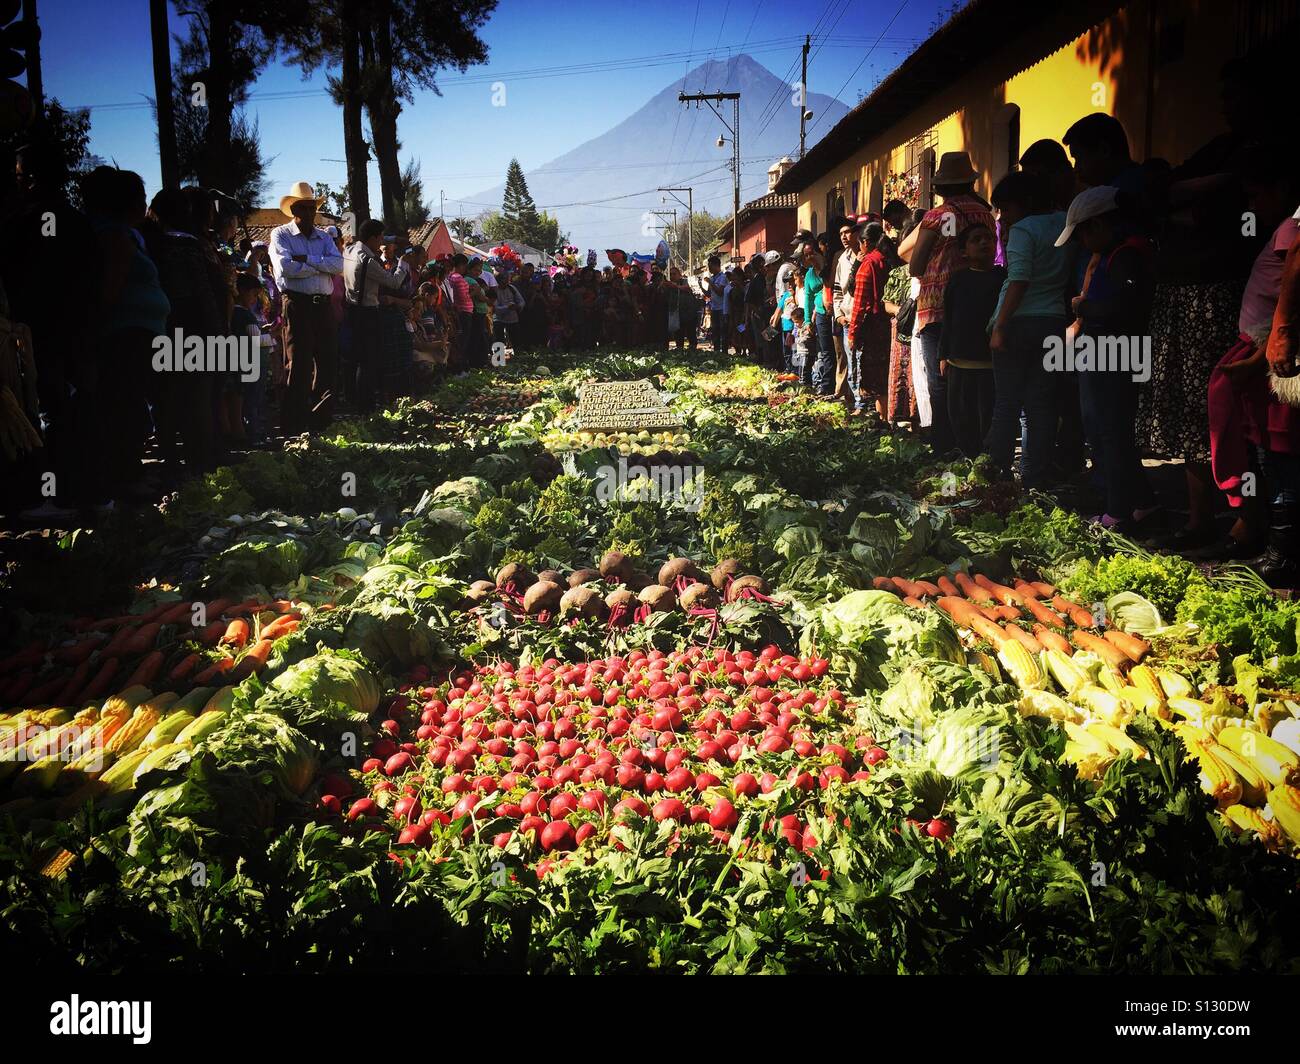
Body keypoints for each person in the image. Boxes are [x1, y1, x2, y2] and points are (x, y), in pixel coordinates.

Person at [1204, 145, 1300, 562]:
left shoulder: (1291, 231)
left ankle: (1280, 551)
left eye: (1257, 196)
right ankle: (1263, 532)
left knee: (1278, 449)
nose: (1252, 206)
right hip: (1266, 346)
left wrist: (1271, 343)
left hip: (1273, 352)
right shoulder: (1284, 228)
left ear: (1281, 189)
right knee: (1264, 445)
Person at [1060, 185, 1158, 532]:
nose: (1082, 244)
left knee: (1109, 432)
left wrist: (1082, 306)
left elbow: (1125, 308)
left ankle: (1117, 510)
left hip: (1114, 355)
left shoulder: (1126, 256)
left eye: (1083, 235)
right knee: (1107, 431)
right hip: (1101, 354)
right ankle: (1142, 502)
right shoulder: (1111, 254)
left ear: (1098, 226)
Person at [83, 167, 170, 501]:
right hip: (125, 335)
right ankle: (125, 476)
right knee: (125, 403)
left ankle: (129, 471)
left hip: (137, 333)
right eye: (141, 199)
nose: (145, 207)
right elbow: (110, 290)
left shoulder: (128, 235)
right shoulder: (113, 237)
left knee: (131, 403)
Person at [984, 170, 1076, 486]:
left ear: (1023, 204)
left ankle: (997, 475)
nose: (1002, 217)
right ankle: (1035, 476)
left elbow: (1019, 279)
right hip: (1052, 323)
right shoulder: (1065, 221)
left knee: (1007, 402)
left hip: (1018, 323)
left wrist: (1000, 327)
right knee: (1041, 405)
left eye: (1005, 208)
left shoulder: (1024, 229)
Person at [902, 152, 995, 454]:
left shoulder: (938, 216)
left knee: (940, 381)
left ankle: (945, 443)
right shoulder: (985, 214)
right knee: (977, 380)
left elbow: (915, 264)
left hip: (938, 304)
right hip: (980, 303)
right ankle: (977, 445)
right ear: (969, 181)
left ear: (941, 186)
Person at [268, 181, 343, 434]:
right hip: (298, 306)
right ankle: (293, 426)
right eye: (306, 208)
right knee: (298, 365)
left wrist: (308, 261)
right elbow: (286, 268)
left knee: (327, 363)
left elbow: (338, 265)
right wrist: (320, 266)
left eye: (313, 208)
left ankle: (321, 423)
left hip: (322, 306)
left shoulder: (323, 236)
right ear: (295, 209)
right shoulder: (281, 235)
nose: (311, 213)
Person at [936, 223, 1003, 457]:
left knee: (990, 416)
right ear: (964, 251)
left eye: (988, 238)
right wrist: (943, 355)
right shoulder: (958, 280)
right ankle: (969, 458)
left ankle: (989, 463)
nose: (984, 243)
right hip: (959, 362)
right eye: (976, 240)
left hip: (991, 363)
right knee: (962, 416)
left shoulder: (1003, 279)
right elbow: (949, 318)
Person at [344, 219, 409, 411]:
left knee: (355, 359)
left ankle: (355, 402)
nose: (383, 241)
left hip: (352, 309)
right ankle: (366, 405)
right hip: (367, 312)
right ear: (373, 238)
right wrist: (402, 264)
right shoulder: (368, 260)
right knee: (369, 360)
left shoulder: (349, 251)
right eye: (381, 237)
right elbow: (394, 282)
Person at [847, 221, 890, 417]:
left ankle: (881, 418)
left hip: (874, 327)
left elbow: (859, 302)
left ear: (865, 242)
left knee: (875, 376)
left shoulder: (868, 264)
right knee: (888, 372)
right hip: (892, 324)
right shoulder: (889, 259)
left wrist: (853, 333)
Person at [231, 272, 268, 446]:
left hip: (237, 364)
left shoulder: (232, 313)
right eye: (254, 295)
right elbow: (256, 340)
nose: (255, 299)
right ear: (242, 291)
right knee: (253, 400)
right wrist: (272, 335)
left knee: (244, 400)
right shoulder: (245, 315)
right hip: (249, 365)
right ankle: (254, 435)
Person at [833, 220, 861, 405]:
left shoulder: (865, 256)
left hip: (863, 317)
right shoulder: (842, 259)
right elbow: (837, 290)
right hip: (847, 318)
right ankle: (856, 400)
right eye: (841, 233)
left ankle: (863, 401)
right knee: (851, 361)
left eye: (847, 232)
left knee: (862, 361)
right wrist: (839, 315)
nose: (844, 236)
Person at [447, 254, 474, 370]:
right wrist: (475, 292)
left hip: (460, 311)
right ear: (461, 265)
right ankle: (461, 368)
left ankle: (461, 366)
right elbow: (464, 297)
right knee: (463, 341)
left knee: (461, 340)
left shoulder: (451, 277)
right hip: (464, 311)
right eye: (464, 265)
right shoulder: (457, 277)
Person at [706, 254, 727, 353]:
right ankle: (716, 350)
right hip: (714, 308)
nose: (709, 269)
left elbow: (720, 292)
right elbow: (709, 294)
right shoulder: (713, 278)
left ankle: (725, 351)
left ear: (716, 265)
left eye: (710, 266)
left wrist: (711, 283)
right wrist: (701, 286)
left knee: (723, 331)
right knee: (715, 331)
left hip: (722, 308)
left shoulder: (722, 277)